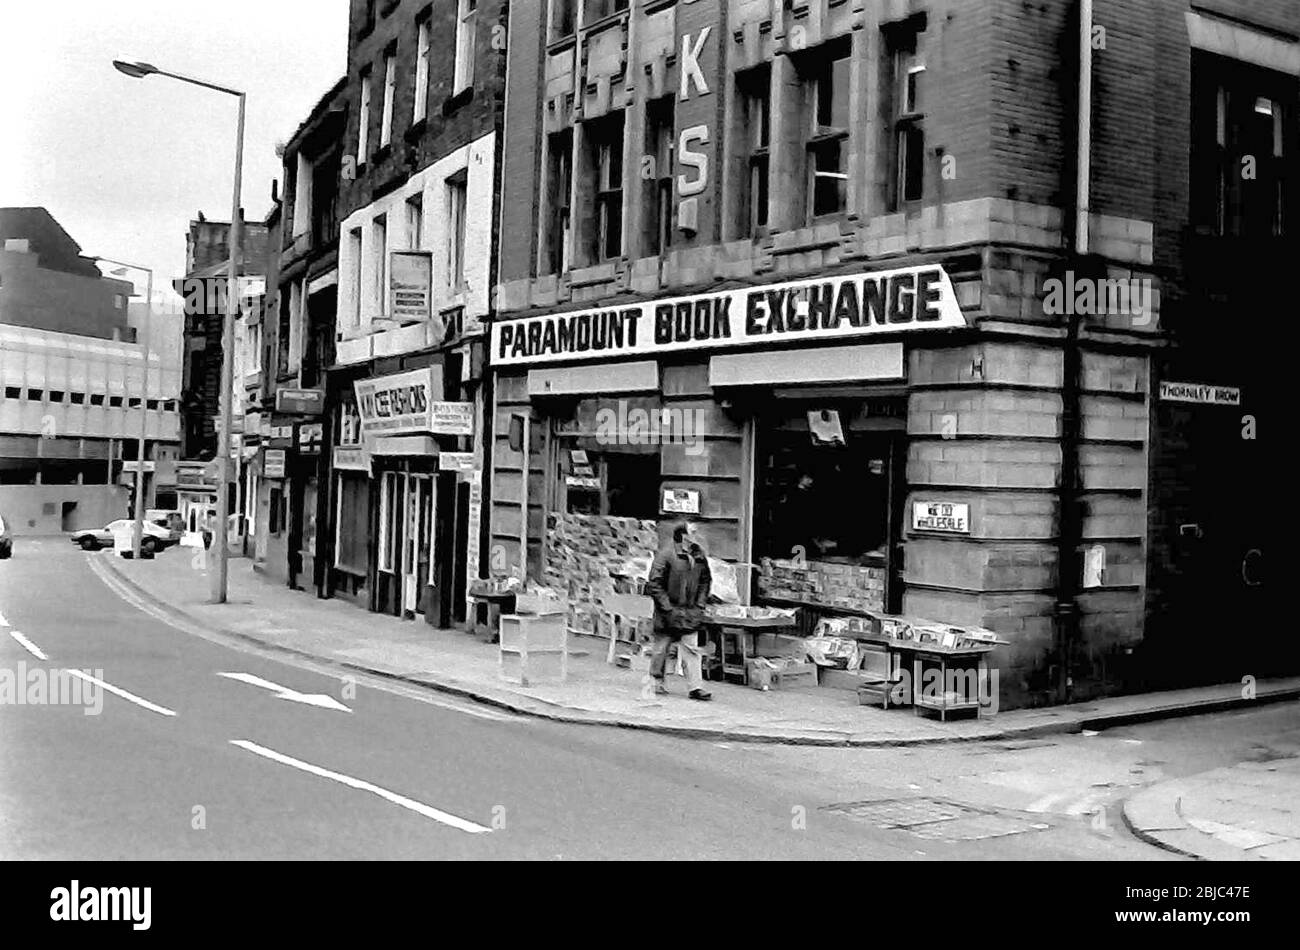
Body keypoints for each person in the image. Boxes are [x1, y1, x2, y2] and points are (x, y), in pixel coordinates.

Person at [644, 523, 713, 701]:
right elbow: (655, 583)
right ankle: (656, 681)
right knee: (661, 648)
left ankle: (696, 687)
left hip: (690, 611)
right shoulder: (667, 554)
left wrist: (699, 605)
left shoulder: (699, 556)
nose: (698, 535)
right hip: (668, 611)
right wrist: (667, 607)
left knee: (691, 649)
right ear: (684, 536)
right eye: (693, 532)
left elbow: (706, 581)